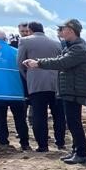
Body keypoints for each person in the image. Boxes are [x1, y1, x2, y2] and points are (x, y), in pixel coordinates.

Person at [23, 19, 86, 164]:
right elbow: (60, 59)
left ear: (71, 30)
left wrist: (38, 63)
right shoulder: (71, 47)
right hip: (71, 89)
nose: (59, 32)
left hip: (74, 90)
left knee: (74, 122)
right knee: (72, 121)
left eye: (62, 29)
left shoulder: (78, 48)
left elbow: (62, 62)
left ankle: (81, 153)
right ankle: (76, 150)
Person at [17, 22, 66, 152]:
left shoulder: (24, 41)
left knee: (39, 115)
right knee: (59, 115)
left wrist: (28, 78)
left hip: (36, 83)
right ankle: (60, 142)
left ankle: (43, 145)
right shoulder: (56, 43)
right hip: (55, 83)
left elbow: (20, 64)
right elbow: (61, 62)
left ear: (30, 30)